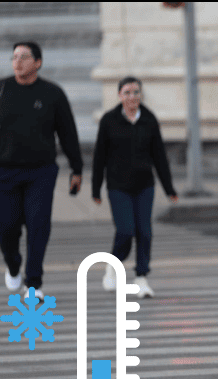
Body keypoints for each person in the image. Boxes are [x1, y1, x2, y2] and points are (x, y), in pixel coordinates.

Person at [0, 41, 83, 299]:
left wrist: (77, 168)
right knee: (7, 227)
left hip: (41, 172)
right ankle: (14, 266)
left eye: (24, 57)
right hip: (5, 172)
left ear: (38, 62)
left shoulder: (52, 94)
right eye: (14, 57)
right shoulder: (2, 89)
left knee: (38, 225)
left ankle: (33, 283)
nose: (17, 62)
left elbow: (67, 133)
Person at [92, 76, 178, 298]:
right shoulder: (109, 120)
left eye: (136, 92)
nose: (132, 97)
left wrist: (169, 188)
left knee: (144, 231)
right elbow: (99, 156)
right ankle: (113, 265)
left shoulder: (149, 119)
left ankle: (141, 277)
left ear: (141, 95)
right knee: (125, 230)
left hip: (144, 185)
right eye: (127, 92)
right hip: (118, 186)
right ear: (120, 95)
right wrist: (95, 188)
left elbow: (159, 156)